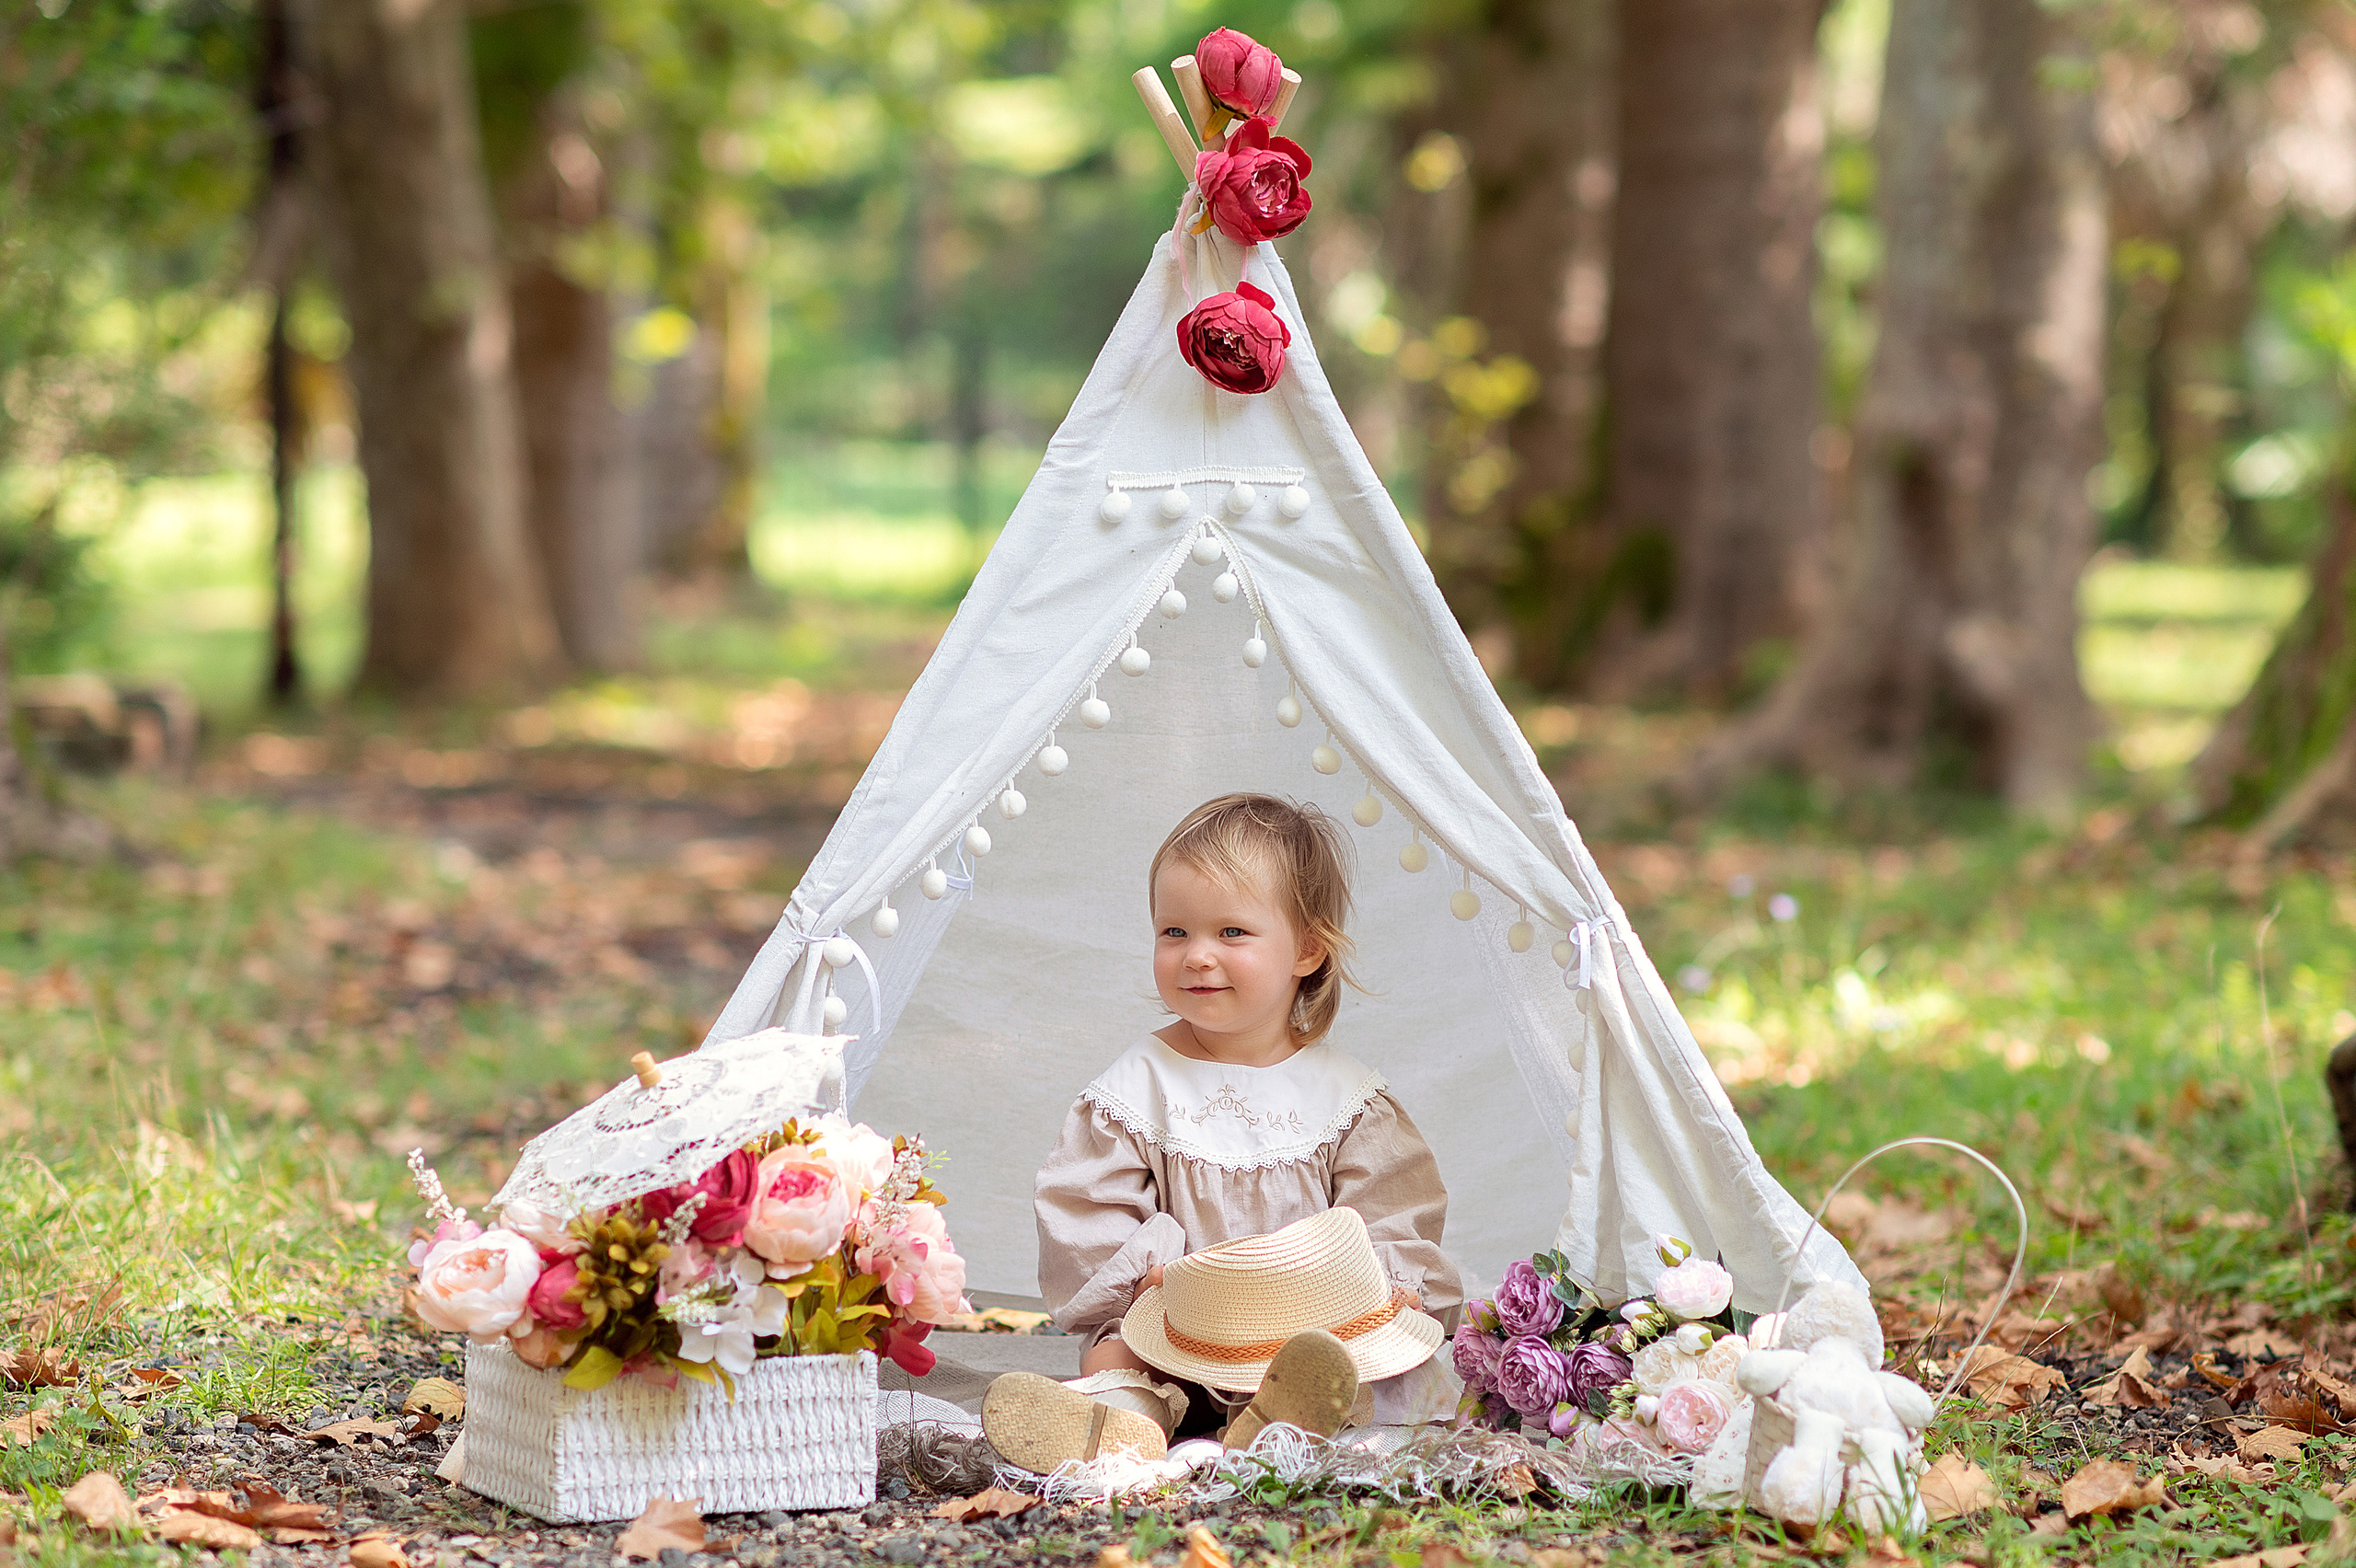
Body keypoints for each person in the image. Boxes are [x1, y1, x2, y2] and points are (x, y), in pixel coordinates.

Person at [982, 792, 1464, 1470]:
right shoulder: (1140, 1085)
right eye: (1174, 932)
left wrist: (1394, 1281)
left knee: (1376, 1372)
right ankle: (1124, 1423)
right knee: (1117, 1350)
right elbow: (1085, 1205)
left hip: (1306, 1330)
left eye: (1231, 933)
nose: (1197, 956)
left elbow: (1392, 1209)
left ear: (1306, 949)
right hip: (1178, 1327)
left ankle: (1283, 1418)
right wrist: (1137, 1276)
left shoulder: (1344, 1098)